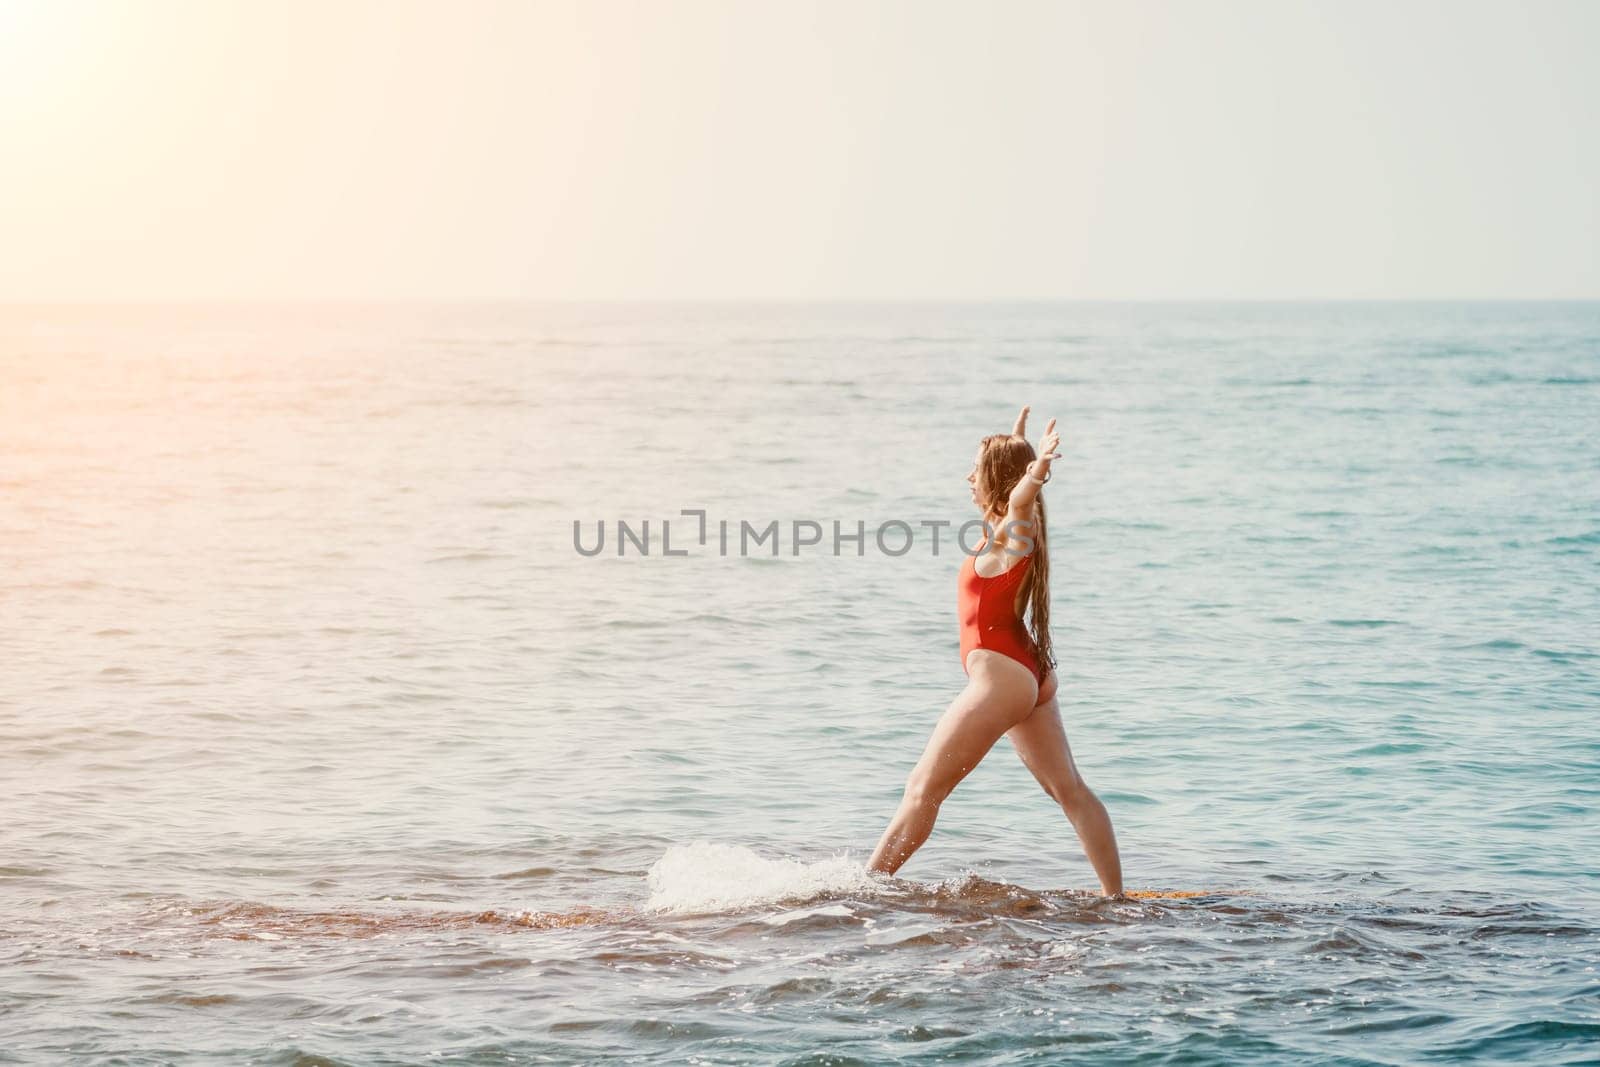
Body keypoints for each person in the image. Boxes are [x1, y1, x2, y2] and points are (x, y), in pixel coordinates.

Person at [867, 406, 1124, 896]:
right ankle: (1116, 897)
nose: (968, 476)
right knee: (1070, 790)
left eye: (976, 469)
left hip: (1004, 679)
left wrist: (1034, 471)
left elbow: (1022, 500)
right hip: (1030, 672)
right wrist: (1019, 446)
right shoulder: (1008, 533)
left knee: (923, 790)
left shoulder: (1013, 530)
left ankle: (863, 890)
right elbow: (1017, 498)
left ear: (997, 481)